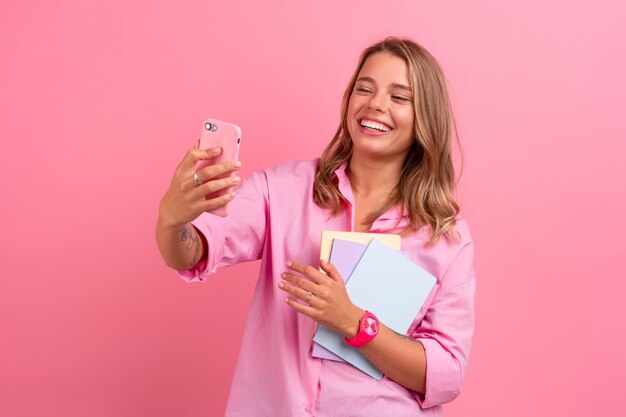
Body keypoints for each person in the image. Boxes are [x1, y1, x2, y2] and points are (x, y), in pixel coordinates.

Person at [156, 37, 475, 417]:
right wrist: (172, 220)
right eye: (365, 88)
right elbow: (194, 249)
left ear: (426, 116)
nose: (376, 104)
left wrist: (354, 321)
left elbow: (446, 374)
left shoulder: (446, 237)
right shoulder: (284, 189)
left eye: (399, 97)